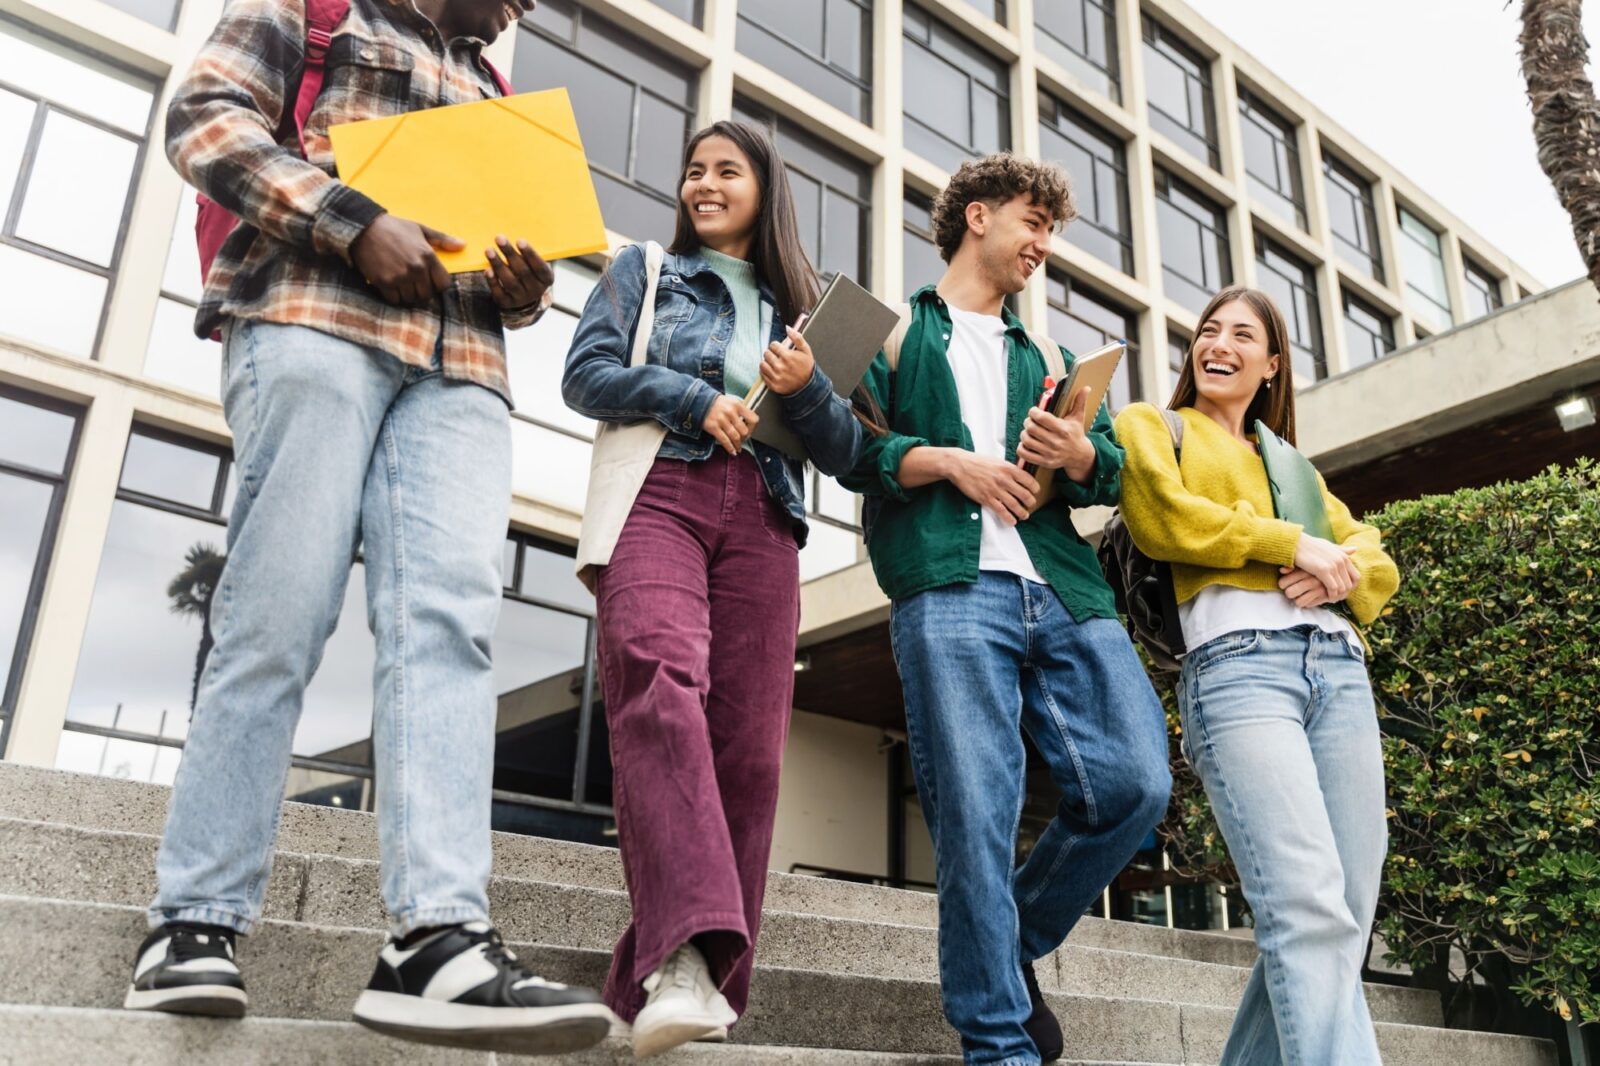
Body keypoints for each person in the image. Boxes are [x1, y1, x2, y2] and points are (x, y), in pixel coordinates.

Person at [124, 0, 612, 1055]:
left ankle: (435, 939)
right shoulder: (311, 9)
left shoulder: (493, 93)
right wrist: (351, 217)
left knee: (449, 632)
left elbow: (490, 260)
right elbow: (206, 118)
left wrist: (520, 289)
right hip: (312, 319)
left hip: (464, 369)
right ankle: (193, 920)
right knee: (277, 613)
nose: (523, 7)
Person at [839, 153, 1172, 1066]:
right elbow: (845, 448)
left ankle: (1004, 948)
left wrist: (1074, 452)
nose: (1043, 245)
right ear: (977, 217)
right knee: (977, 812)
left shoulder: (1058, 357)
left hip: (1063, 585)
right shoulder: (892, 330)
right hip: (949, 584)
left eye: (1051, 231)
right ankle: (998, 1044)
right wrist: (951, 462)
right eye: (1032, 223)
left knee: (1138, 782)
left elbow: (1110, 473)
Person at [561, 120, 865, 1058]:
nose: (703, 183)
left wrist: (809, 390)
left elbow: (851, 455)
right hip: (662, 489)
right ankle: (686, 965)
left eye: (726, 170)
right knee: (657, 677)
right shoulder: (644, 271)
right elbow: (586, 376)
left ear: (766, 190)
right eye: (694, 170)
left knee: (751, 754)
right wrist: (694, 399)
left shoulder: (806, 312)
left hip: (766, 523)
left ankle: (647, 981)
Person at [1113, 286, 1399, 1065]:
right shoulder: (1152, 425)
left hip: (1337, 673)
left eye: (1244, 335)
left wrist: (1337, 572)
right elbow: (1164, 518)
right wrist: (1287, 545)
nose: (1221, 343)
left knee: (1344, 912)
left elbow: (1374, 555)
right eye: (1210, 330)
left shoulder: (1292, 463)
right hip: (1239, 673)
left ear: (1271, 366)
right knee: (1308, 910)